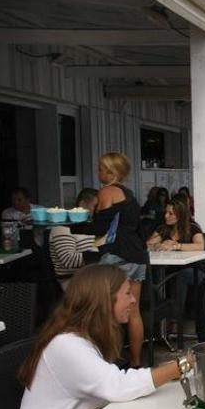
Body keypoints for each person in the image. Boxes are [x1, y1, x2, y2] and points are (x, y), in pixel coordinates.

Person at [11, 264, 187, 409]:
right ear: (105, 299)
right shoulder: (67, 345)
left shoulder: (80, 338)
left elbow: (113, 386)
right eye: (128, 293)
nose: (133, 300)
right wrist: (181, 365)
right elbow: (118, 386)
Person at [72, 152, 148, 367]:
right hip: (136, 254)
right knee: (133, 311)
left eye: (100, 168)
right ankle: (136, 363)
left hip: (116, 254)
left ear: (110, 171)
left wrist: (73, 223)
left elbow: (99, 228)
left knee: (105, 310)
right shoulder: (129, 194)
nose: (98, 172)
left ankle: (106, 363)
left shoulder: (106, 192)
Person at [49, 188, 100, 284]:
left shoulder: (92, 225)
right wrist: (102, 256)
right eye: (95, 206)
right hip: (74, 280)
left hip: (94, 275)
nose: (99, 211)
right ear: (83, 204)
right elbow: (68, 260)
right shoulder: (63, 226)